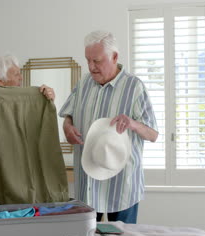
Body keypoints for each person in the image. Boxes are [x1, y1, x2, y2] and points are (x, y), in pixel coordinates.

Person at [59, 30, 158, 224]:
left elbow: (153, 134)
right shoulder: (84, 83)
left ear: (114, 57)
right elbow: (67, 115)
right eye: (88, 60)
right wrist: (67, 128)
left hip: (121, 185)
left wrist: (133, 124)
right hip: (87, 183)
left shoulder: (134, 87)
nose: (91, 67)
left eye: (96, 61)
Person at [0, 54, 55, 196]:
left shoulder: (27, 104)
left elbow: (40, 137)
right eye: (16, 74)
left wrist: (47, 102)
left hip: (18, 179)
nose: (21, 78)